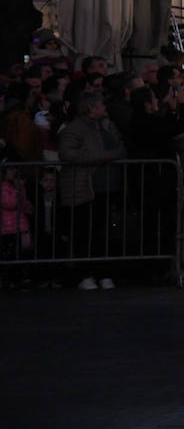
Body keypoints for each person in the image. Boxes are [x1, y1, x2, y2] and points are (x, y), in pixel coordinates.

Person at [57, 91, 125, 290]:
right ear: (91, 107)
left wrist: (107, 155)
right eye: (101, 105)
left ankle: (103, 272)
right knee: (85, 233)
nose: (105, 108)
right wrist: (102, 156)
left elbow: (121, 148)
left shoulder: (108, 125)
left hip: (107, 187)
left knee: (103, 234)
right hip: (86, 188)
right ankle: (85, 273)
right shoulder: (75, 129)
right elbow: (67, 153)